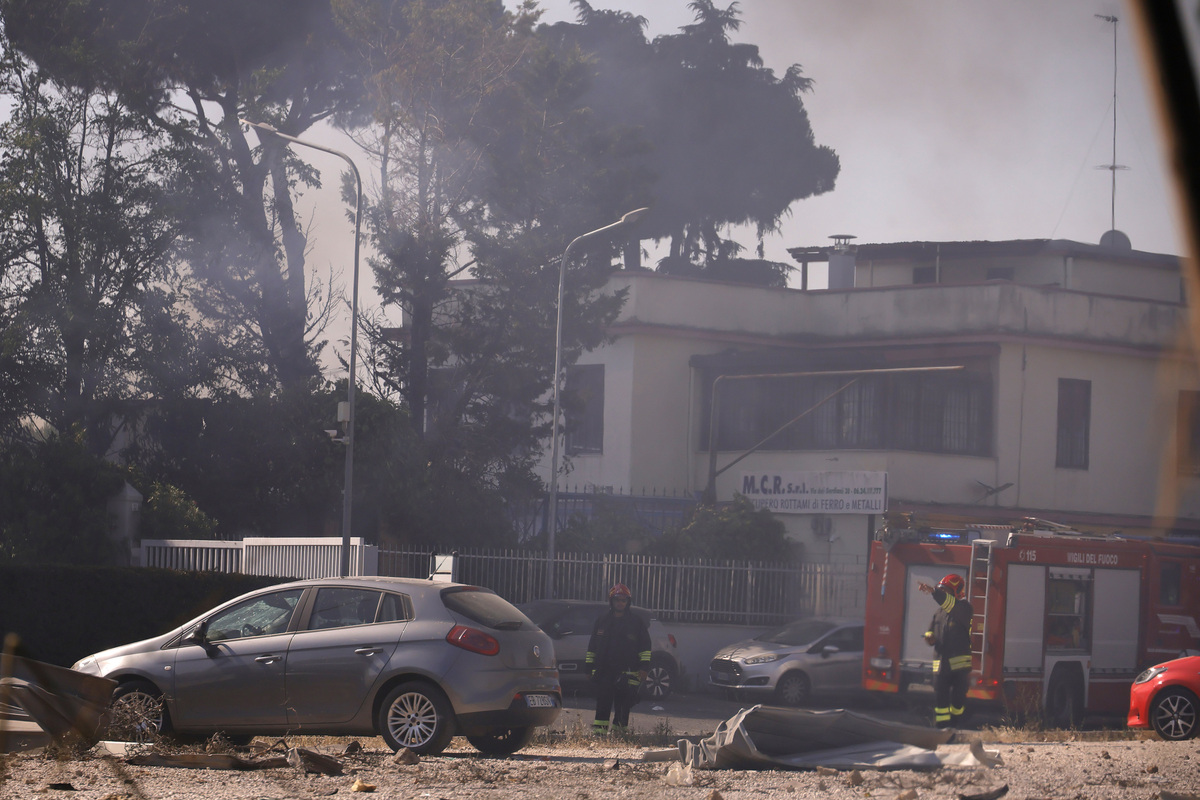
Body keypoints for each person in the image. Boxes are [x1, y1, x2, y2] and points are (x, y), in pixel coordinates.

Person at [585, 583, 651, 735]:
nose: (620, 603)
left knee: (623, 705)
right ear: (611, 601)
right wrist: (589, 668)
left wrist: (644, 667)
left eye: (623, 600)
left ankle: (619, 736)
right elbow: (592, 647)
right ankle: (599, 735)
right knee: (603, 704)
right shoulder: (602, 621)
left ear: (628, 602)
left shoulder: (636, 623)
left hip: (628, 672)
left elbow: (645, 647)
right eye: (617, 600)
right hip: (604, 671)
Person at [918, 573, 974, 729]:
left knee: (958, 701)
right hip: (941, 666)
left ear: (957, 593)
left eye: (946, 592)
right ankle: (941, 730)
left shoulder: (964, 609)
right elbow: (930, 631)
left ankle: (956, 726)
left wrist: (934, 592)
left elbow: (948, 603)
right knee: (940, 702)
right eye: (942, 591)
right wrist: (929, 637)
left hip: (959, 668)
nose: (944, 595)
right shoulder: (939, 613)